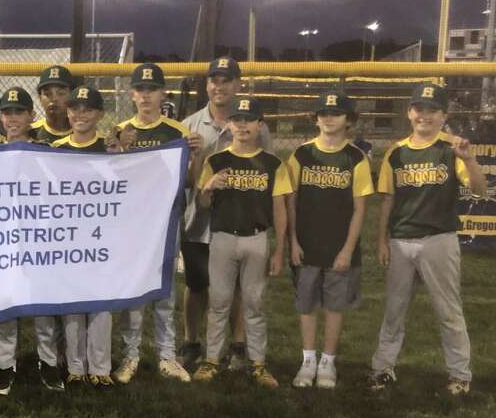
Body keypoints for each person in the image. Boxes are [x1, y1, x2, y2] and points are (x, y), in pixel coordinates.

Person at [369, 83, 487, 396]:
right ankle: (382, 369)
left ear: (444, 115)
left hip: (439, 239)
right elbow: (387, 201)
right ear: (410, 112)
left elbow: (479, 191)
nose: (425, 115)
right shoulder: (396, 152)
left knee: (448, 310)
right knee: (394, 309)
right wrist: (382, 241)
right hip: (401, 240)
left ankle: (460, 375)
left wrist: (471, 160)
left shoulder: (452, 147)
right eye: (419, 108)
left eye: (432, 109)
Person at [181, 57, 273, 372]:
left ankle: (236, 346)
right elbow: (186, 182)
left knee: (235, 290)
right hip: (199, 221)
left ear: (237, 85)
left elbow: (267, 173)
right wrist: (194, 155)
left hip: (238, 222)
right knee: (196, 286)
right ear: (206, 84)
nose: (219, 86)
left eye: (226, 80)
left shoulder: (256, 125)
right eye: (214, 80)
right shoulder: (191, 124)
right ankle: (192, 343)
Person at [192, 97, 291, 388]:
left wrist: (279, 249)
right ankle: (211, 360)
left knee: (255, 302)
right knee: (220, 301)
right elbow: (202, 205)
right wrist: (208, 188)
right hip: (222, 237)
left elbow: (279, 209)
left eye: (249, 119)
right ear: (229, 124)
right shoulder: (216, 160)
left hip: (257, 238)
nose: (243, 125)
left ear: (260, 125)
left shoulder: (272, 163)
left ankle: (258, 363)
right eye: (237, 119)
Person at [111, 62, 192, 384]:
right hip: (132, 223)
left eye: (152, 89)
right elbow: (112, 179)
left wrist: (194, 155)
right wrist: (120, 150)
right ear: (132, 93)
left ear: (162, 93)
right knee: (133, 291)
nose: (146, 96)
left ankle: (166, 355)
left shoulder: (177, 132)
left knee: (164, 292)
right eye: (140, 89)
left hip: (165, 221)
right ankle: (130, 354)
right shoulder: (119, 129)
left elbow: (187, 179)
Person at [287, 89, 374, 389]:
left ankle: (328, 361)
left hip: (340, 246)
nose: (329, 118)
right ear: (316, 119)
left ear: (348, 120)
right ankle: (308, 358)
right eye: (323, 113)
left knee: (335, 305)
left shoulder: (356, 158)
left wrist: (348, 249)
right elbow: (291, 203)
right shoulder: (301, 154)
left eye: (335, 114)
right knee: (307, 303)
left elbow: (360, 209)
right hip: (307, 244)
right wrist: (293, 242)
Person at [0, 86, 65, 395]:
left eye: (19, 111)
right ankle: (5, 366)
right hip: (3, 240)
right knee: (5, 305)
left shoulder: (47, 152)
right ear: (0, 117)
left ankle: (47, 363)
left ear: (31, 115)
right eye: (7, 112)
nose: (12, 118)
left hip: (38, 239)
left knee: (42, 305)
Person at [52, 85, 117, 389]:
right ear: (68, 112)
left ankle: (101, 366)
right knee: (73, 303)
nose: (80, 114)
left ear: (99, 114)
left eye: (88, 109)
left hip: (101, 235)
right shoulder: (56, 150)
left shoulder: (109, 148)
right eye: (75, 108)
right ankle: (76, 365)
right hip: (67, 237)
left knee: (101, 302)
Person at [30, 65, 73, 144]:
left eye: (61, 93)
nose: (54, 99)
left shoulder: (84, 133)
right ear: (40, 98)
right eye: (47, 94)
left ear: (72, 95)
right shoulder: (30, 133)